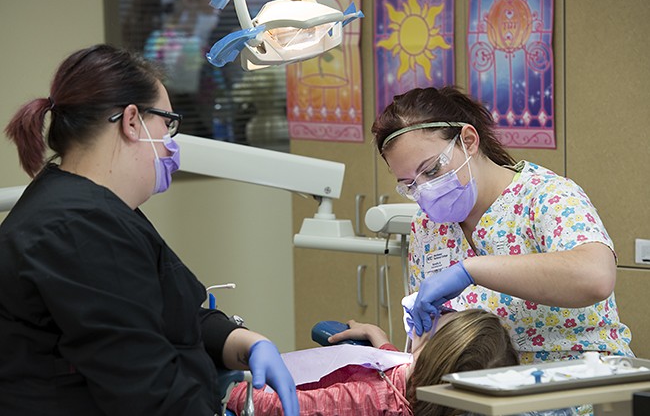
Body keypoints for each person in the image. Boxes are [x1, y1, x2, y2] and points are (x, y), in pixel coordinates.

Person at [0, 44, 298, 416]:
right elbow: (150, 392)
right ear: (131, 121)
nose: (171, 141)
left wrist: (241, 342)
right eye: (167, 123)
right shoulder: (78, 229)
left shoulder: (91, 208)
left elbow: (163, 314)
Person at [371, 86, 633, 366]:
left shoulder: (545, 196)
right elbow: (427, 345)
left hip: (578, 381)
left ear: (469, 141)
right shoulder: (428, 226)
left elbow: (595, 277)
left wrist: (471, 271)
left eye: (432, 170)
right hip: (481, 391)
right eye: (409, 184)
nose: (425, 190)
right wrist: (385, 352)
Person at [226, 308, 524, 416]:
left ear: (427, 358)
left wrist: (234, 391)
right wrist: (380, 340)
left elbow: (283, 407)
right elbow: (403, 374)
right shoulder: (428, 391)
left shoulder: (367, 400)